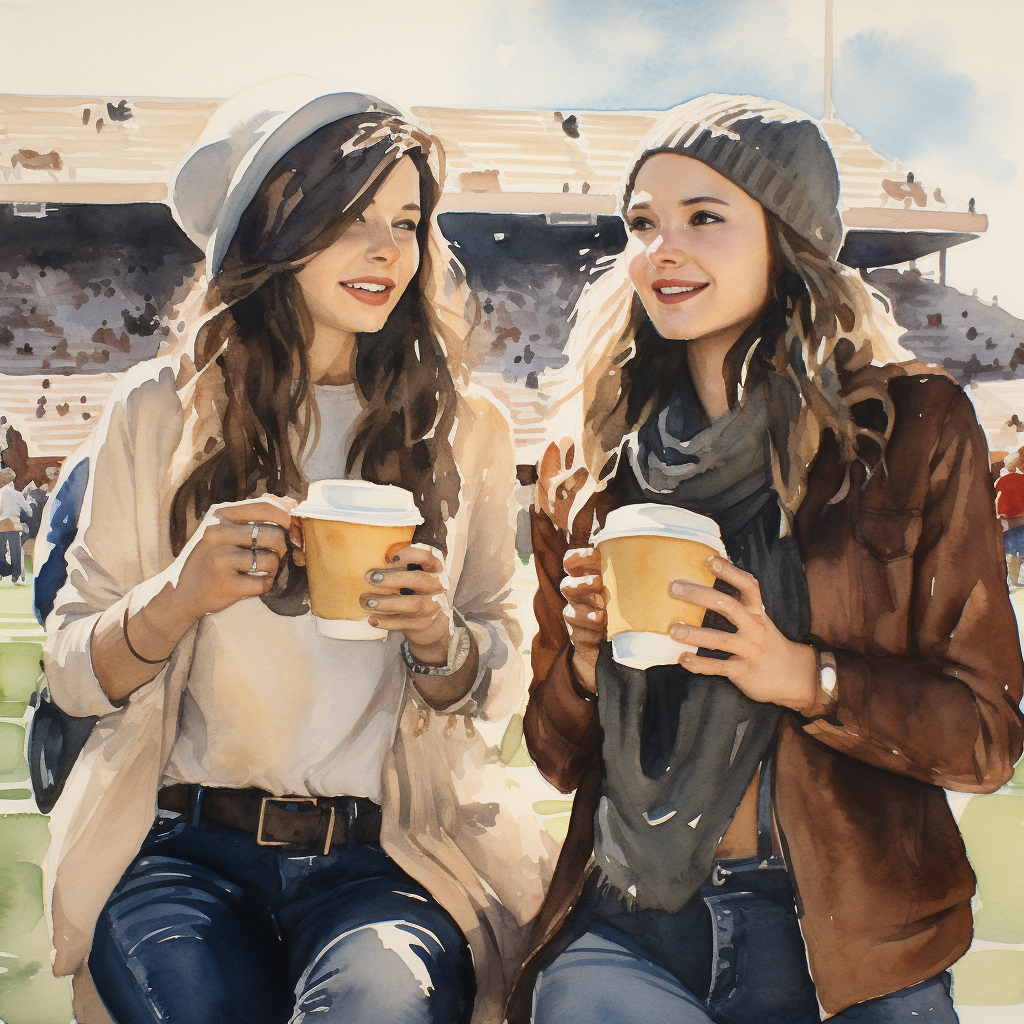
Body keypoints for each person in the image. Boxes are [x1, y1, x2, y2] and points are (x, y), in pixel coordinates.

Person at [43, 78, 551, 1024]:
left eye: (406, 221)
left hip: (390, 856)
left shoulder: (467, 428)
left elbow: (506, 678)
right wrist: (178, 597)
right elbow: (73, 672)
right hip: (182, 850)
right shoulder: (157, 412)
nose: (386, 251)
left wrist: (443, 641)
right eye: (348, 217)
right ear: (271, 231)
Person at [510, 95, 1024, 1024]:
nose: (663, 248)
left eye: (706, 218)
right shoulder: (584, 465)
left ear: (788, 240)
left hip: (856, 950)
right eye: (643, 223)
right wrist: (584, 665)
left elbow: (985, 736)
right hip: (635, 932)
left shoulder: (909, 431)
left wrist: (808, 677)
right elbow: (555, 755)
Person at [0, 465, 31, 583]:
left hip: (1, 525)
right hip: (13, 524)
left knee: (1, 550)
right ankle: (15, 574)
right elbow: (28, 510)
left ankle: (2, 572)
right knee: (15, 549)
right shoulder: (16, 494)